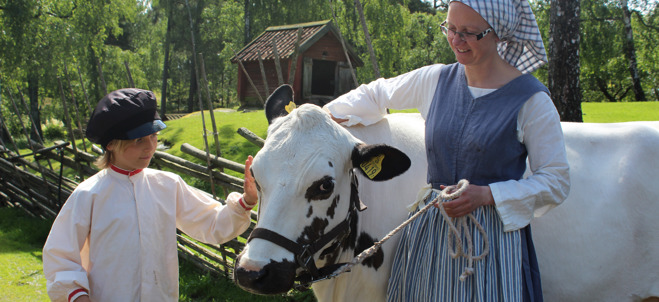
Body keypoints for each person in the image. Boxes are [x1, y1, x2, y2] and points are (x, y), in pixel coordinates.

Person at [324, 1, 570, 301]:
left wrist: (487, 195)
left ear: (498, 34)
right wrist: (318, 118)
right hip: (432, 233)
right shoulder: (435, 80)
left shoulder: (531, 100)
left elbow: (556, 181)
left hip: (491, 242)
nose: (455, 39)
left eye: (469, 32)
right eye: (450, 28)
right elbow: (376, 94)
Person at [42, 88, 258, 302]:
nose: (150, 147)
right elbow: (60, 255)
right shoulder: (89, 195)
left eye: (153, 136)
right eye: (138, 140)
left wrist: (246, 201)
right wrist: (78, 297)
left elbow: (211, 224)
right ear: (110, 144)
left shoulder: (168, 186)